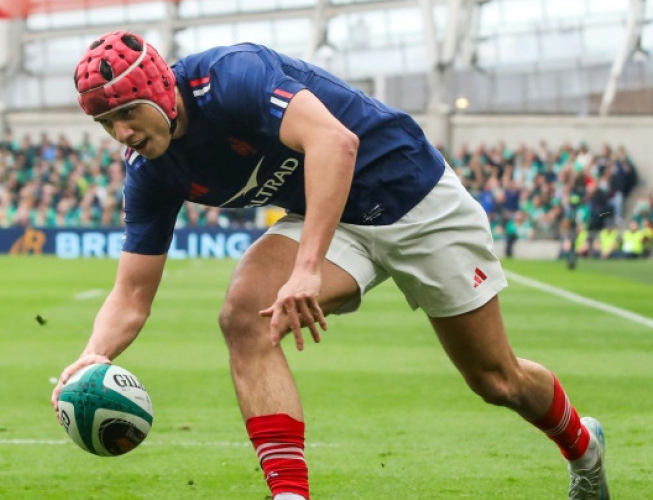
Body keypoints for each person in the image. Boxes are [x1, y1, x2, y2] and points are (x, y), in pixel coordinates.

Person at [51, 31, 610, 500]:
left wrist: (307, 269)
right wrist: (90, 357)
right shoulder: (150, 171)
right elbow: (130, 295)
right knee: (244, 314)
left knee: (496, 380)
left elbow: (335, 144)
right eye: (106, 123)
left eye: (125, 112)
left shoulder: (232, 76)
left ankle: (584, 450)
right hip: (331, 215)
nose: (121, 132)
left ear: (158, 89)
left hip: (412, 194)